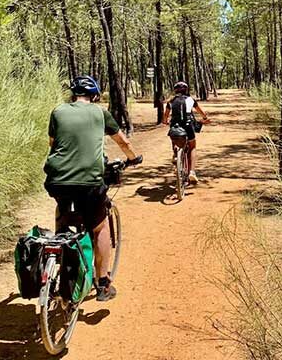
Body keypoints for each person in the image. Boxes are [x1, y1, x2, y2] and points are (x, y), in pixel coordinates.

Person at [43, 75, 142, 302]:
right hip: (89, 182)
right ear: (94, 95)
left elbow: (52, 143)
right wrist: (133, 159)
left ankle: (61, 246)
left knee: (63, 206)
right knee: (99, 227)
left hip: (57, 180)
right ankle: (103, 283)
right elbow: (123, 143)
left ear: (73, 94)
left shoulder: (58, 112)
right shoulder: (100, 113)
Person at [159, 81, 210, 183]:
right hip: (188, 126)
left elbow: (165, 118)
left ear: (175, 90)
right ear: (186, 90)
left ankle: (175, 155)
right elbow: (202, 113)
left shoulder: (171, 101)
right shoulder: (191, 100)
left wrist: (166, 122)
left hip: (175, 126)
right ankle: (192, 172)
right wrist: (205, 118)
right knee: (192, 147)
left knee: (174, 137)